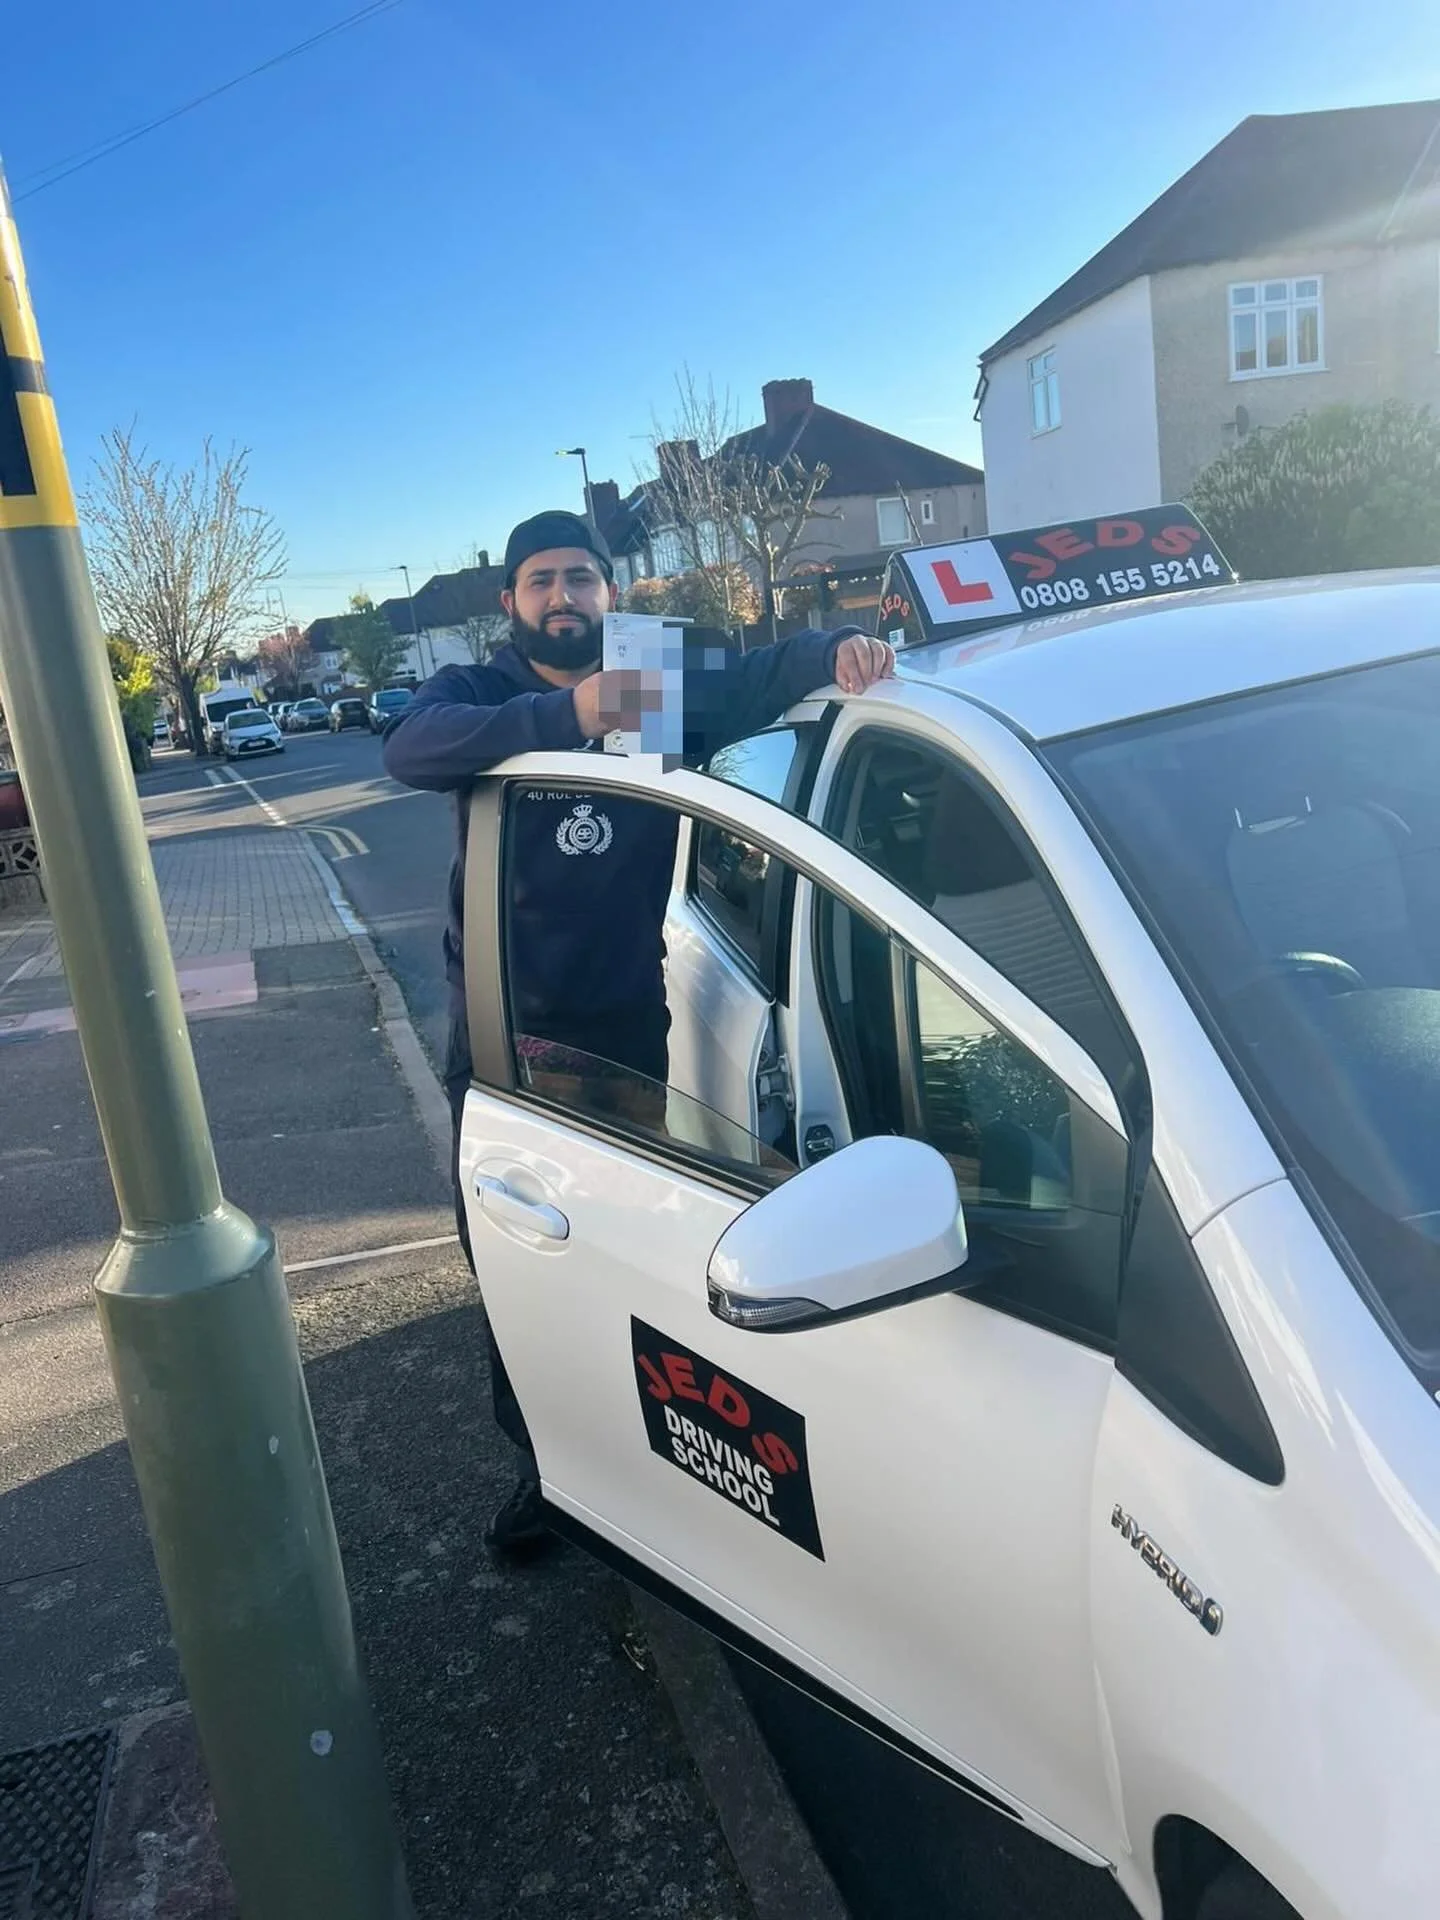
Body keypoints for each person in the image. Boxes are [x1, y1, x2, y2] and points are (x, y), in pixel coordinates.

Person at [383, 509, 894, 1558]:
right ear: (511, 600)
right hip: (502, 1027)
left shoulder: (653, 677)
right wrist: (570, 709)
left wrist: (832, 649)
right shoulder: (481, 693)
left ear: (608, 591)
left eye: (581, 578)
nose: (563, 596)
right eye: (542, 582)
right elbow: (412, 749)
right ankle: (543, 1464)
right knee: (512, 1256)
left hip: (625, 1015)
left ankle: (638, 1463)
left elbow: (757, 675)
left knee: (626, 1249)